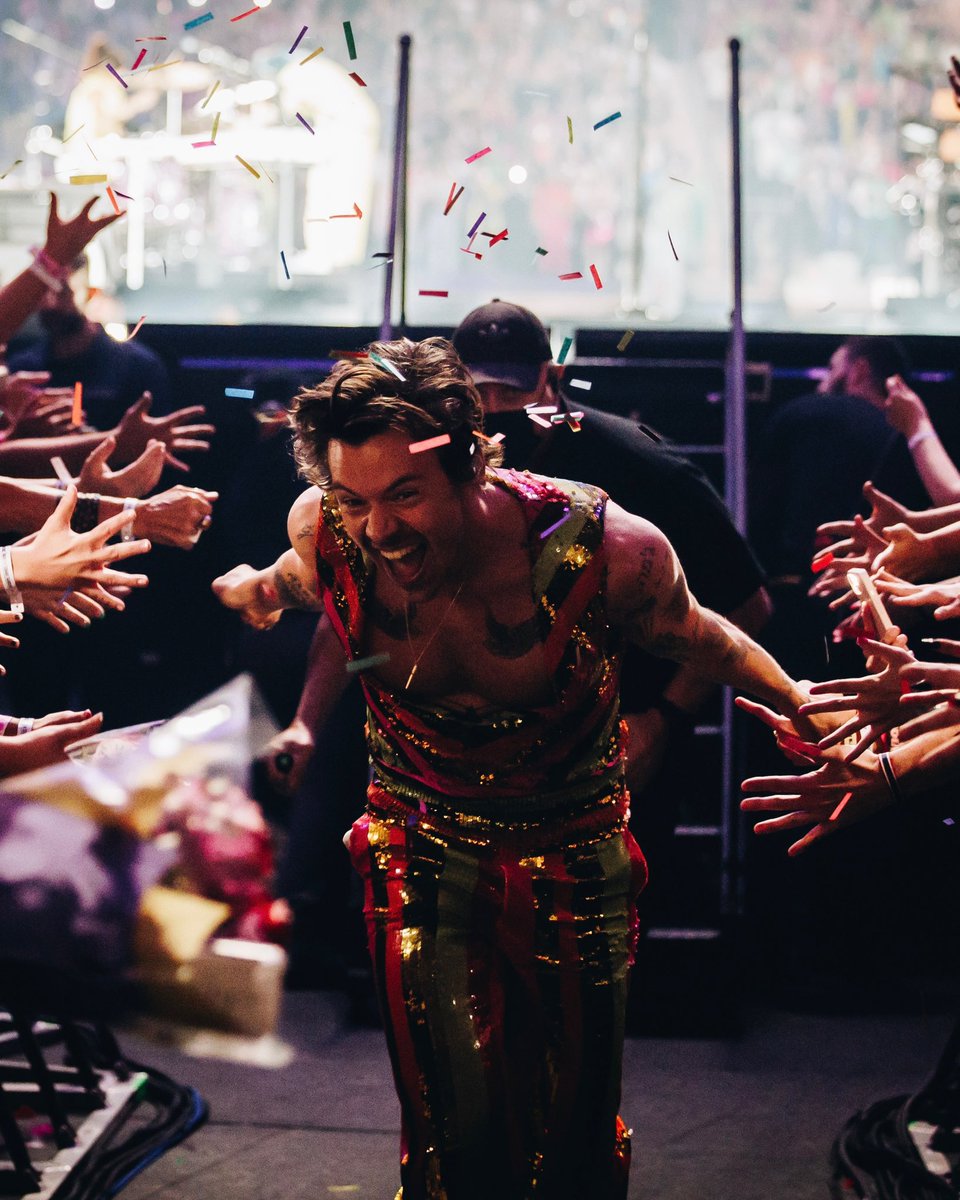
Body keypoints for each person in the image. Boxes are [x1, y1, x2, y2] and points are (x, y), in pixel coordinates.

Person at [213, 335, 810, 1200]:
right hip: (419, 847)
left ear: (468, 462)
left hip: (572, 852)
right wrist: (257, 591)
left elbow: (700, 633)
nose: (379, 528)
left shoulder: (602, 546)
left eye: (405, 495)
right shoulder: (331, 529)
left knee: (572, 1134)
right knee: (450, 1126)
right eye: (354, 499)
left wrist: (799, 700)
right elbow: (306, 582)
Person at [750, 335, 928, 679]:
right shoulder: (912, 443)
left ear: (858, 371)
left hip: (791, 597)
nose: (821, 380)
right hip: (883, 608)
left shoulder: (800, 412)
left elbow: (758, 510)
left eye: (831, 369)